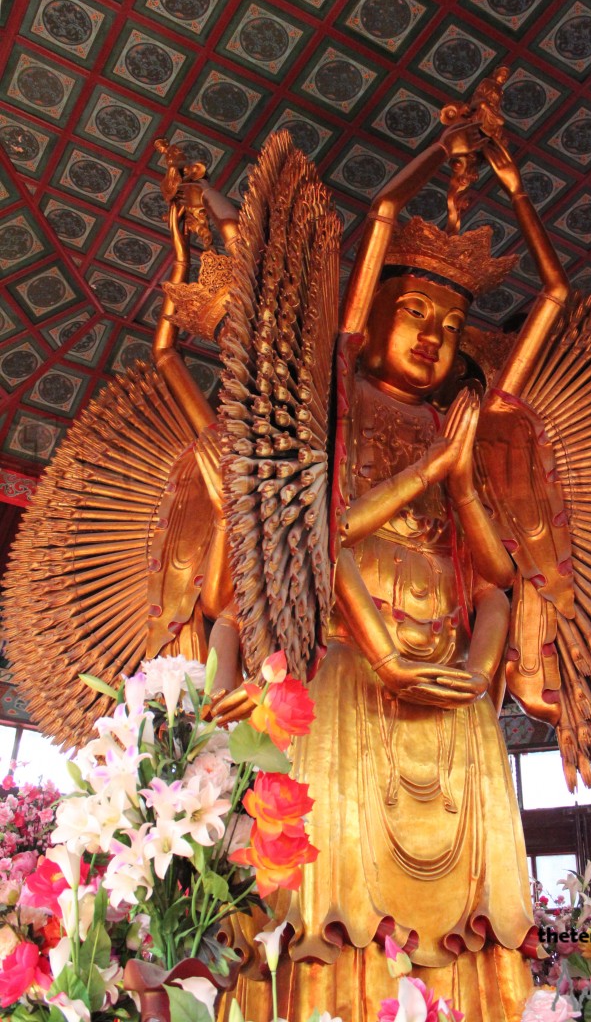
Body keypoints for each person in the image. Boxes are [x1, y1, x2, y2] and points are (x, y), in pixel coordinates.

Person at [218, 119, 569, 1021]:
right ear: (370, 318)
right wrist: (442, 151)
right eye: (413, 314)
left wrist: (481, 664)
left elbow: (494, 578)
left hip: (447, 684)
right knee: (334, 887)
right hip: (353, 658)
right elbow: (325, 537)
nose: (432, 337)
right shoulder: (337, 406)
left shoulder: (461, 429)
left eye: (451, 326)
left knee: (470, 905)